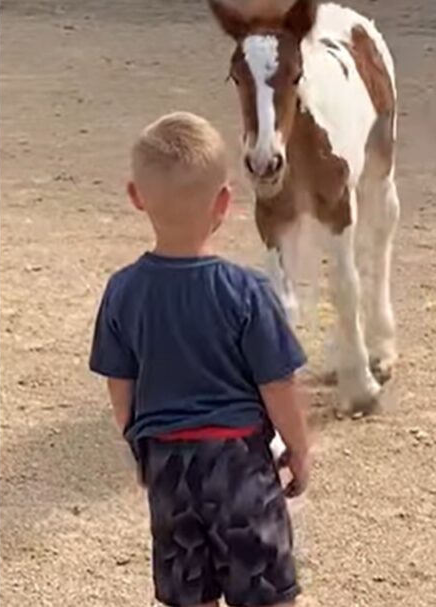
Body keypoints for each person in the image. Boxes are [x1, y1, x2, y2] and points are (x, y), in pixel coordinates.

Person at [89, 112, 311, 607]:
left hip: (169, 465)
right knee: (264, 594)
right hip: (239, 464)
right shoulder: (247, 291)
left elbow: (119, 383)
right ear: (225, 202)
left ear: (136, 196)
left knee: (188, 593)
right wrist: (298, 447)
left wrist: (138, 443)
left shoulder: (122, 291)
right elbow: (279, 384)